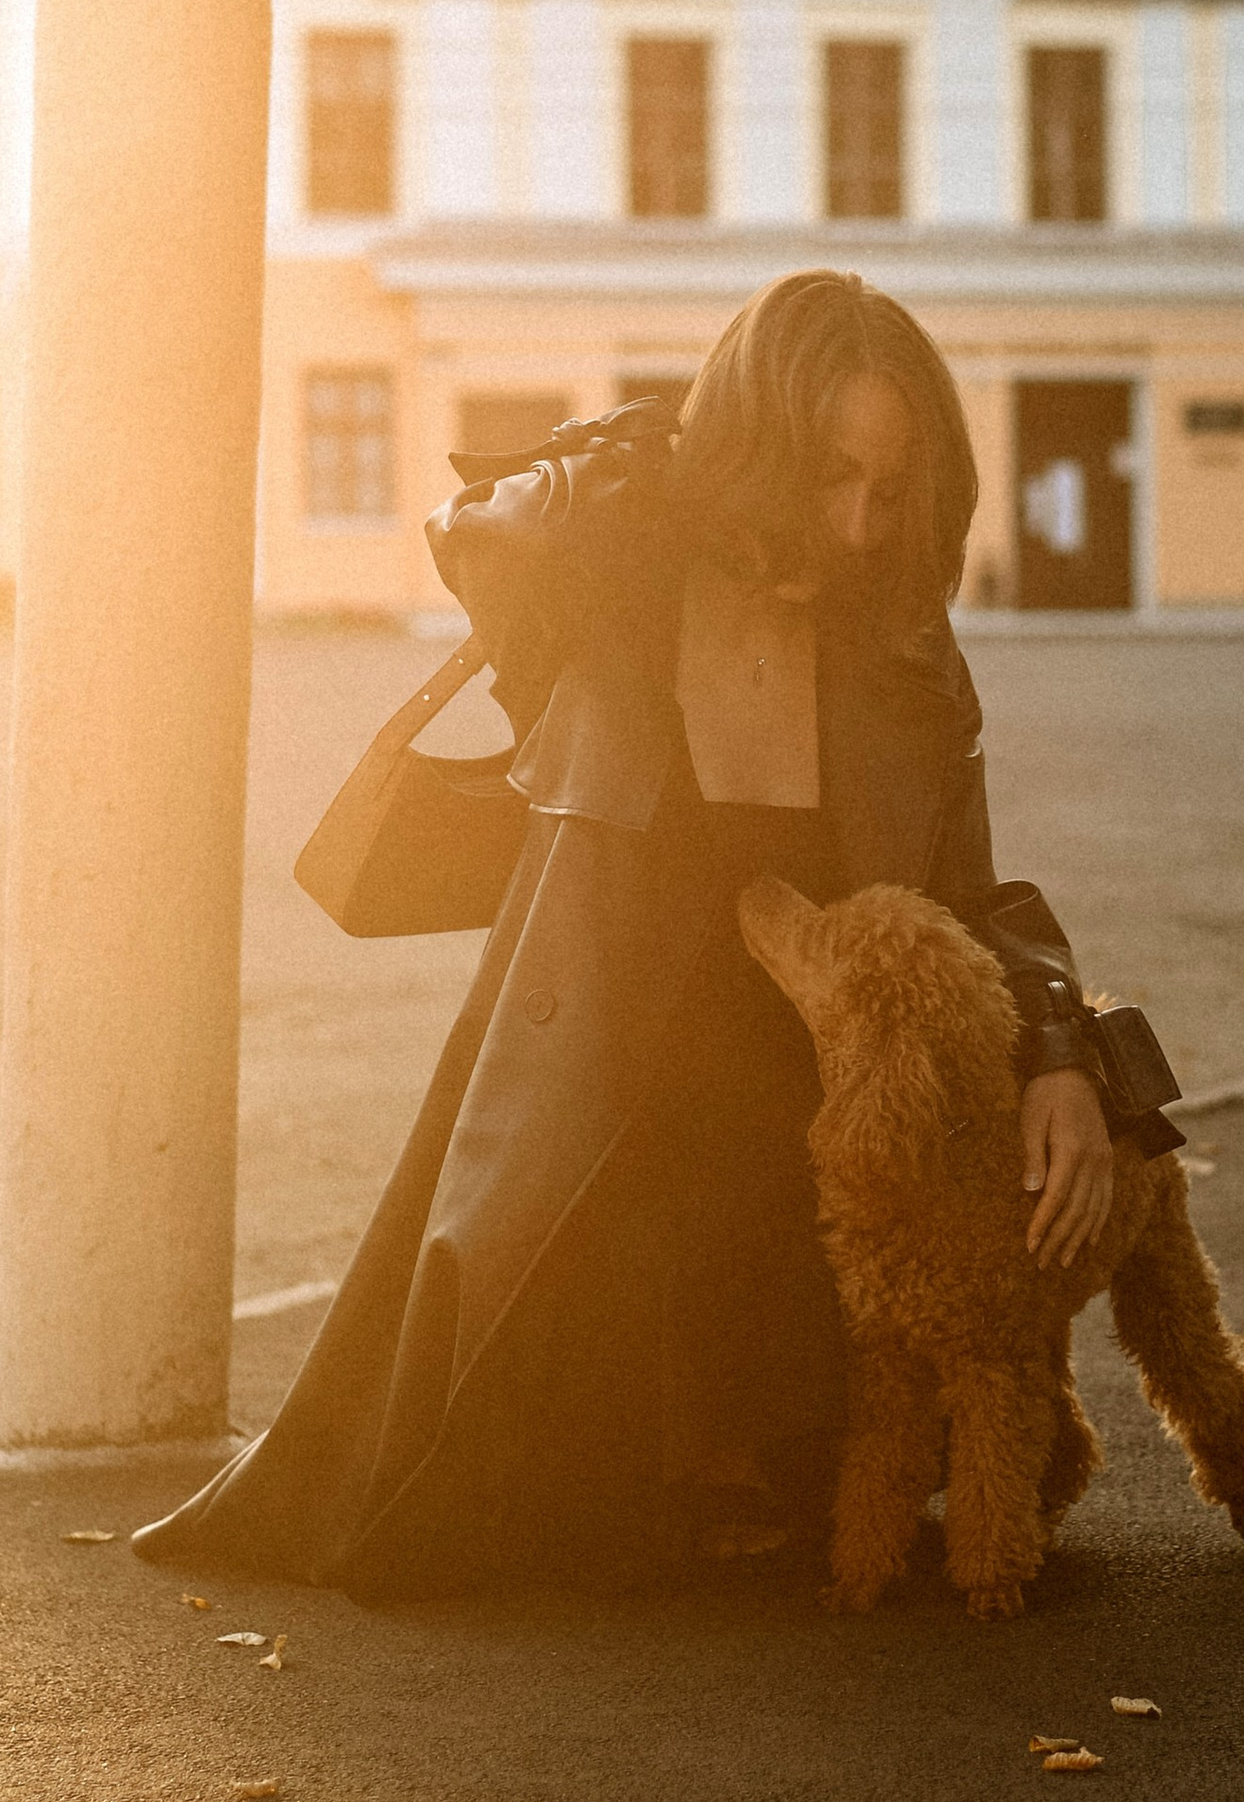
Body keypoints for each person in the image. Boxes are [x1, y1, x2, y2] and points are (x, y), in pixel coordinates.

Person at [134, 269, 1117, 1600]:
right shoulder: (614, 577)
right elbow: (476, 528)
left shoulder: (905, 653)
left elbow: (964, 904)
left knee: (816, 1520)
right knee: (503, 1529)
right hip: (597, 1124)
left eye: (892, 493)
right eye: (828, 474)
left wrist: (1068, 1052)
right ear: (755, 449)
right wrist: (664, 455)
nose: (858, 523)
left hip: (809, 1143)